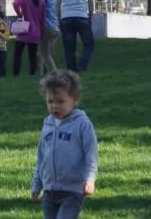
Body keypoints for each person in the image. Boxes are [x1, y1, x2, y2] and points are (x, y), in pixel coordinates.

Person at [31, 69, 98, 219]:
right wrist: (36, 184)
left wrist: (90, 179)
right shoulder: (47, 124)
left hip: (72, 191)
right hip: (49, 191)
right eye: (50, 102)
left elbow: (91, 154)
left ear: (74, 99)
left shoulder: (81, 123)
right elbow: (41, 157)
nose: (55, 106)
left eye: (60, 101)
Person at [55, 0, 95, 73]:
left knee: (69, 46)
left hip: (66, 17)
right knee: (89, 43)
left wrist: (59, 19)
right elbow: (91, 1)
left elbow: (57, 4)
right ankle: (82, 64)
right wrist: (90, 15)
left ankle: (71, 70)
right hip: (82, 16)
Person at [13, 0, 50, 76]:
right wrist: (42, 33)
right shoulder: (41, 1)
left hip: (23, 29)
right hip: (35, 31)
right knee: (32, 54)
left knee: (18, 53)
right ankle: (32, 73)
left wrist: (19, 14)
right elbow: (42, 19)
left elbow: (15, 3)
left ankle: (16, 72)